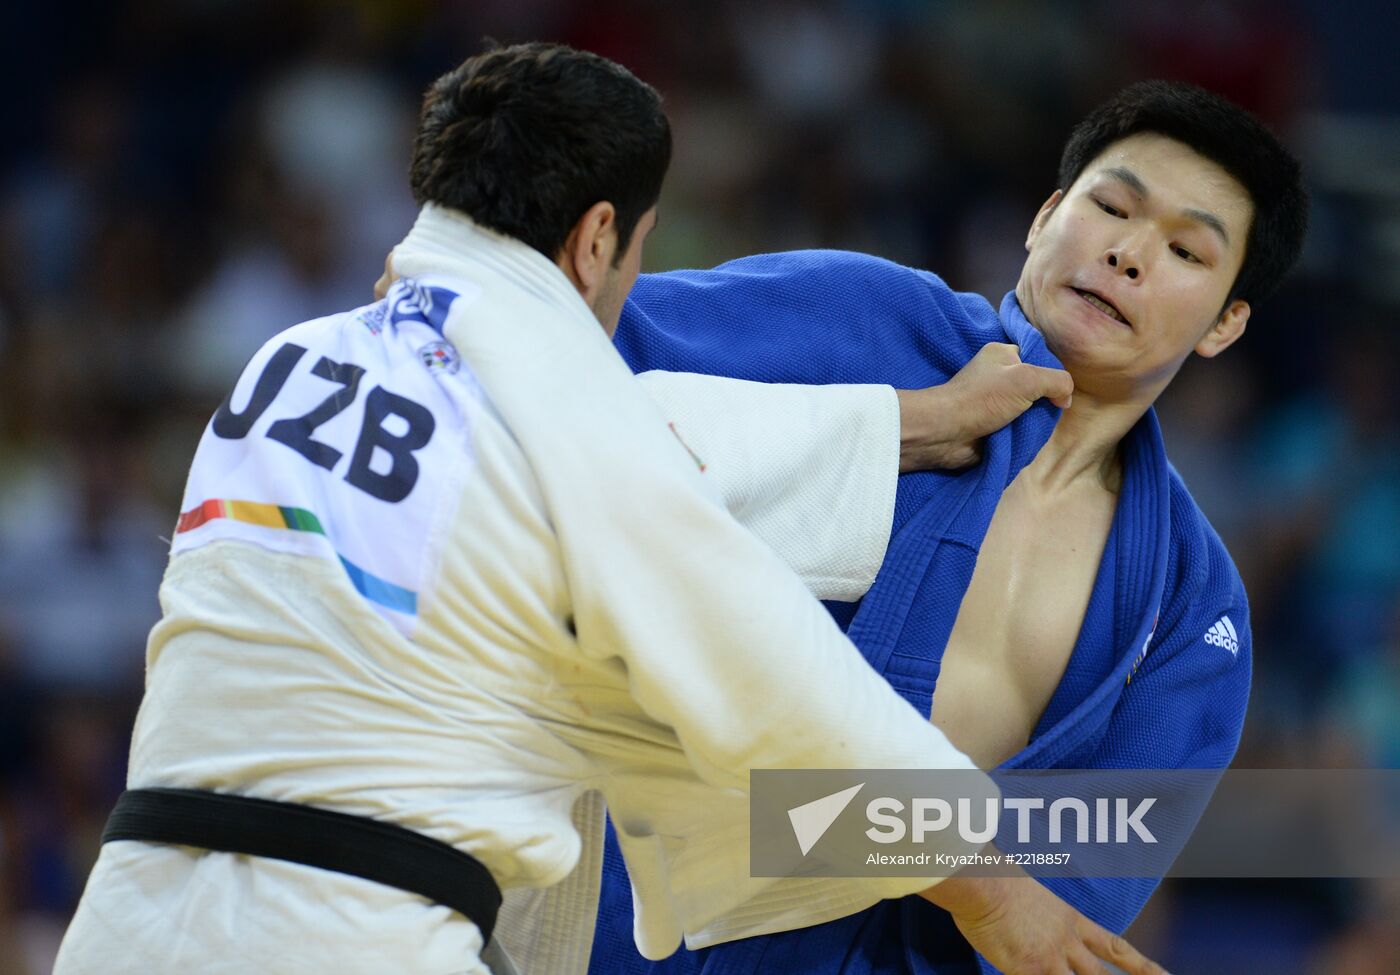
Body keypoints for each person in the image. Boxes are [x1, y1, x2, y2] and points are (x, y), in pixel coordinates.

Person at [53, 43, 1156, 975]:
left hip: (129, 915)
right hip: (354, 935)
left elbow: (601, 442)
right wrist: (990, 890)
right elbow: (777, 682)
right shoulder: (572, 426)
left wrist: (906, 420)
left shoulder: (293, 365)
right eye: (636, 247)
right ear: (593, 240)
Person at [583, 79, 1309, 974]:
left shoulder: (1192, 607)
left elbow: (1063, 901)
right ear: (1045, 217)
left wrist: (832, 831)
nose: (1126, 253)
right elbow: (572, 355)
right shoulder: (868, 321)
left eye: (1186, 251)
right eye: (1111, 207)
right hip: (616, 923)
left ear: (1226, 324)